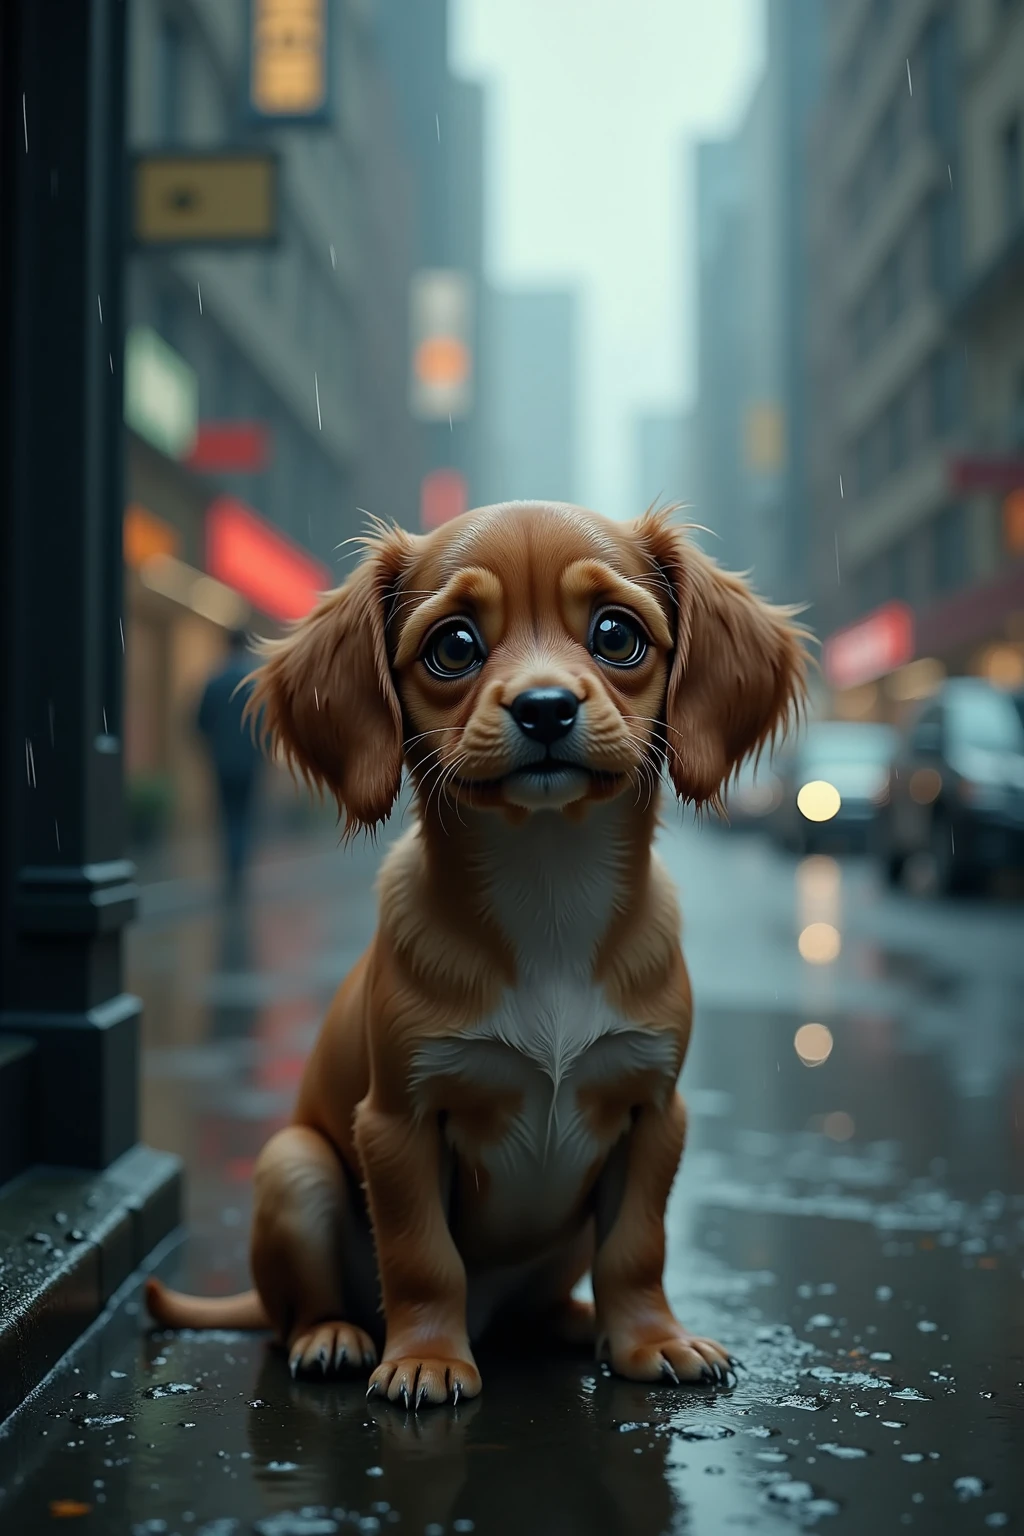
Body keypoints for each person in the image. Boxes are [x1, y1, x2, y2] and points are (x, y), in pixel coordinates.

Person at [197, 629, 262, 896]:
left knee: (227, 815)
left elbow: (199, 722)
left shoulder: (214, 682)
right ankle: (238, 868)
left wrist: (213, 746)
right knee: (243, 815)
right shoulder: (254, 683)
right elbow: (266, 723)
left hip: (221, 760)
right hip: (249, 761)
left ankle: (231, 866)